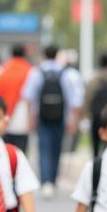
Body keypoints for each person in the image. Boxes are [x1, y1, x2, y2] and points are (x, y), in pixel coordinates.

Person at [21, 44, 83, 198]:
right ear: (57, 55)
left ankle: (45, 182)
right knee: (57, 149)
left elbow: (29, 97)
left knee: (44, 149)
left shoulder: (36, 72)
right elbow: (75, 100)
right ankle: (53, 181)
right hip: (61, 118)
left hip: (42, 118)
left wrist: (30, 118)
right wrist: (73, 121)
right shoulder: (67, 73)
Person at [0, 44, 34, 154]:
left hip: (5, 111)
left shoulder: (3, 70)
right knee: (21, 149)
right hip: (22, 111)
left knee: (7, 148)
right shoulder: (29, 70)